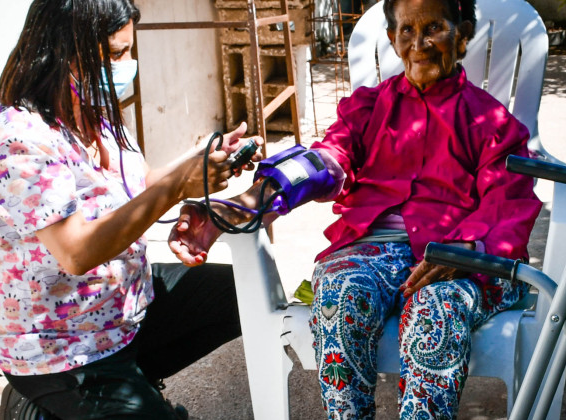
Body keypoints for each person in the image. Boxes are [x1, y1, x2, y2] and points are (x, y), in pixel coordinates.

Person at [168, 0, 543, 418]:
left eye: (434, 27)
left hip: (457, 257)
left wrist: (466, 251)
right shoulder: (368, 108)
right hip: (371, 250)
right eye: (406, 31)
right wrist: (248, 202)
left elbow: (508, 202)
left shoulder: (491, 122)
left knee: (438, 309)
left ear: (464, 35)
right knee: (342, 294)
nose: (418, 44)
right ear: (391, 40)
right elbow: (326, 158)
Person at [0, 1, 263, 418]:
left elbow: (139, 183)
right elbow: (77, 252)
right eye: (115, 54)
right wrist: (180, 185)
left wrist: (198, 161)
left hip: (124, 304)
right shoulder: (17, 137)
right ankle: (41, 402)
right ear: (62, 50)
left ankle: (120, 390)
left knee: (246, 293)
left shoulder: (93, 112)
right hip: (62, 344)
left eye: (129, 50)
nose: (128, 64)